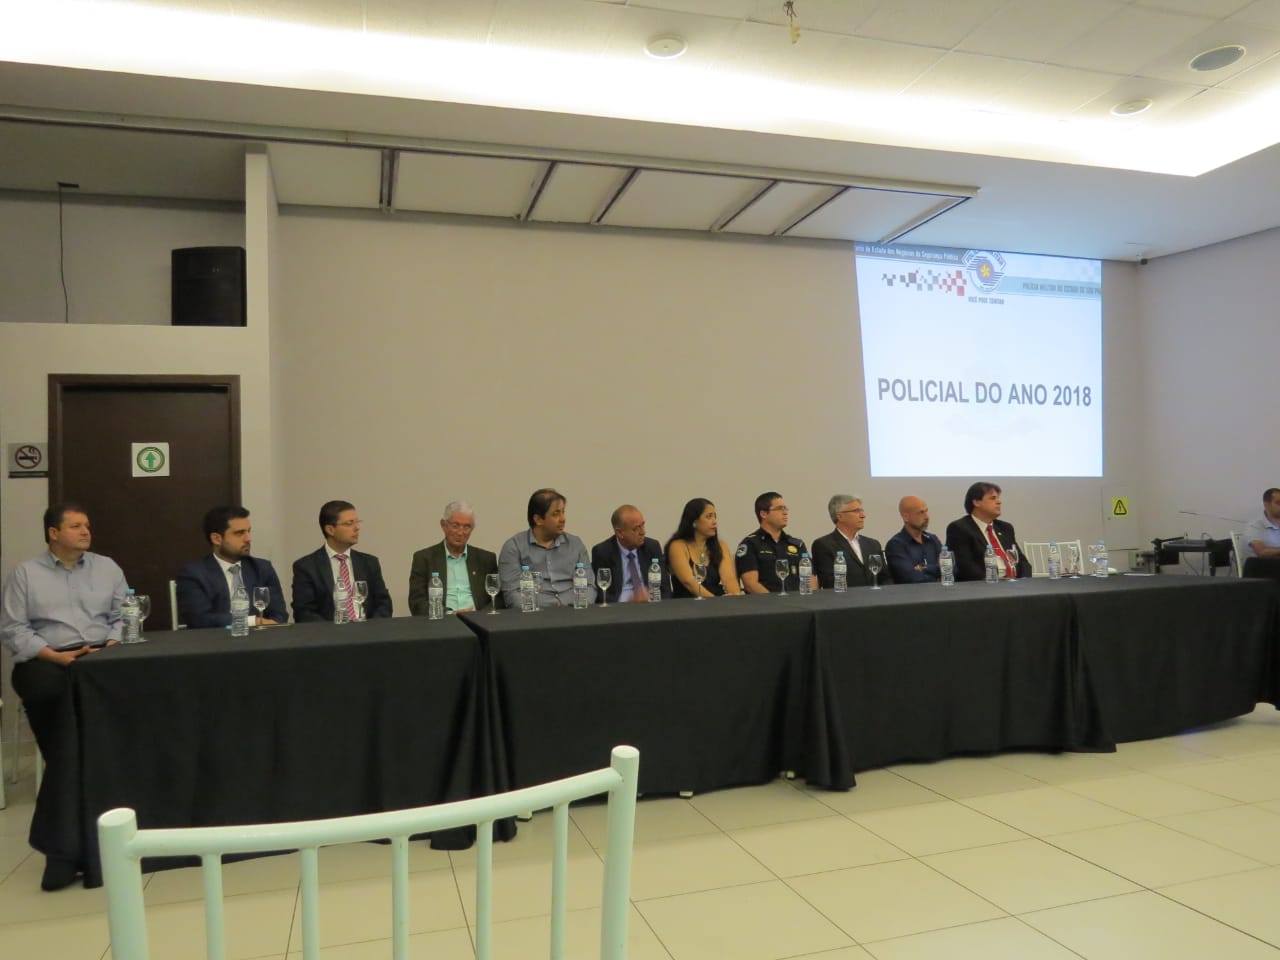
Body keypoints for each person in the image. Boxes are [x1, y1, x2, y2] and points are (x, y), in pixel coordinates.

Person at [0, 503, 127, 891]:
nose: (85, 531)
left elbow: (125, 614)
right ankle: (68, 850)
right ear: (53, 533)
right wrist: (54, 656)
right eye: (75, 526)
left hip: (100, 657)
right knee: (66, 747)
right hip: (48, 661)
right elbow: (13, 629)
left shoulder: (108, 567)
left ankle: (93, 839)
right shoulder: (26, 574)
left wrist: (111, 643)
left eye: (87, 525)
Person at [175, 505, 287, 627]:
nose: (248, 539)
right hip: (215, 638)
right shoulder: (194, 574)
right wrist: (252, 621)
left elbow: (279, 615)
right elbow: (199, 619)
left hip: (260, 637)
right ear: (216, 539)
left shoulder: (262, 568)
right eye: (239, 533)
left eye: (248, 531)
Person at [291, 500, 392, 622]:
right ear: (330, 530)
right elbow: (304, 612)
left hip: (368, 630)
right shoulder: (306, 567)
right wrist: (334, 632)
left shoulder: (369, 563)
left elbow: (384, 604)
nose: (357, 528)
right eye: (349, 523)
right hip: (329, 632)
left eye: (357, 522)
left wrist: (370, 628)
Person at [498, 488, 594, 608]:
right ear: (538, 519)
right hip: (535, 615)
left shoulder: (575, 544)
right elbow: (512, 595)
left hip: (574, 612)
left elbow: (589, 587)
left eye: (563, 512)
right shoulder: (514, 547)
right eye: (556, 514)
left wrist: (579, 608)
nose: (563, 519)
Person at [409, 500, 501, 614]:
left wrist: (480, 616)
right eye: (455, 526)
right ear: (443, 525)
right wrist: (446, 614)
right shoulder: (424, 559)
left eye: (466, 527)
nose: (460, 532)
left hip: (479, 621)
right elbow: (417, 602)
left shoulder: (486, 559)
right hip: (442, 621)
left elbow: (498, 598)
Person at [945, 482, 1033, 580]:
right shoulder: (959, 528)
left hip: (1014, 584)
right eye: (993, 498)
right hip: (984, 585)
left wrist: (1024, 581)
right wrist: (996, 581)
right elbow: (965, 567)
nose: (999, 502)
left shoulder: (1005, 528)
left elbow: (1023, 562)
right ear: (976, 502)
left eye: (998, 498)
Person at [735, 491, 815, 593]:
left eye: (785, 508)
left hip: (799, 600)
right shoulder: (750, 544)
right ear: (763, 514)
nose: (785, 512)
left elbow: (811, 579)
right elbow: (751, 584)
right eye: (780, 509)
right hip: (767, 601)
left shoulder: (797, 544)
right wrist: (774, 601)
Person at [590, 504, 671, 603]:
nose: (643, 532)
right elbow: (603, 594)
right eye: (636, 528)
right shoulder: (603, 552)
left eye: (643, 525)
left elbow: (665, 588)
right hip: (619, 608)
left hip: (651, 605)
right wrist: (629, 601)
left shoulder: (652, 547)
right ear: (620, 533)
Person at [664, 497, 742, 598]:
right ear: (694, 521)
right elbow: (689, 582)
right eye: (709, 517)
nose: (714, 522)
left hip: (717, 600)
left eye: (715, 517)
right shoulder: (677, 546)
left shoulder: (721, 546)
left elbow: (729, 579)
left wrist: (735, 598)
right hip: (688, 602)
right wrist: (715, 602)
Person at [811, 495, 891, 588]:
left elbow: (886, 578)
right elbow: (829, 582)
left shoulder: (873, 544)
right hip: (845, 596)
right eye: (856, 511)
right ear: (840, 516)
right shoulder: (823, 545)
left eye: (862, 511)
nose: (863, 516)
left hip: (877, 596)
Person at [885, 496, 943, 584]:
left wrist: (923, 567)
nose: (926, 517)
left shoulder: (932, 540)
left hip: (940, 591)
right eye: (921, 512)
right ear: (906, 517)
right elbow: (911, 578)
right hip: (913, 592)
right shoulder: (896, 545)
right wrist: (938, 571)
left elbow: (951, 569)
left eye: (926, 511)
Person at [1247, 488, 1280, 559]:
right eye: (1278, 503)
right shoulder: (1254, 526)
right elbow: (1261, 552)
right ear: (1266, 504)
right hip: (1266, 565)